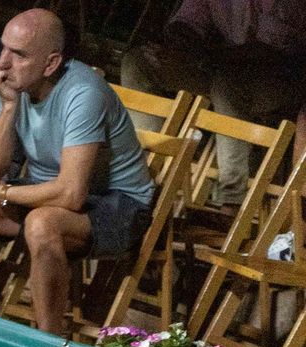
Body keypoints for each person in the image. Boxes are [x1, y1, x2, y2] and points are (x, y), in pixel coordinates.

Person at [0, 8, 156, 336]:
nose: (4, 63)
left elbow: (71, 193)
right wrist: (9, 107)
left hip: (120, 204)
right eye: (4, 48)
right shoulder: (7, 82)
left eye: (19, 54)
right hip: (48, 192)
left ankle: (49, 346)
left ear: (51, 63)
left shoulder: (83, 92)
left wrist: (2, 192)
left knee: (42, 224)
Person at [120, 0, 306, 204]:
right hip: (219, 65)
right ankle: (144, 172)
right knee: (138, 63)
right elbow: (187, 22)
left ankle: (231, 197)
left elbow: (269, 52)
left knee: (228, 86)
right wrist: (176, 44)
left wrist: (206, 55)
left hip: (281, 77)